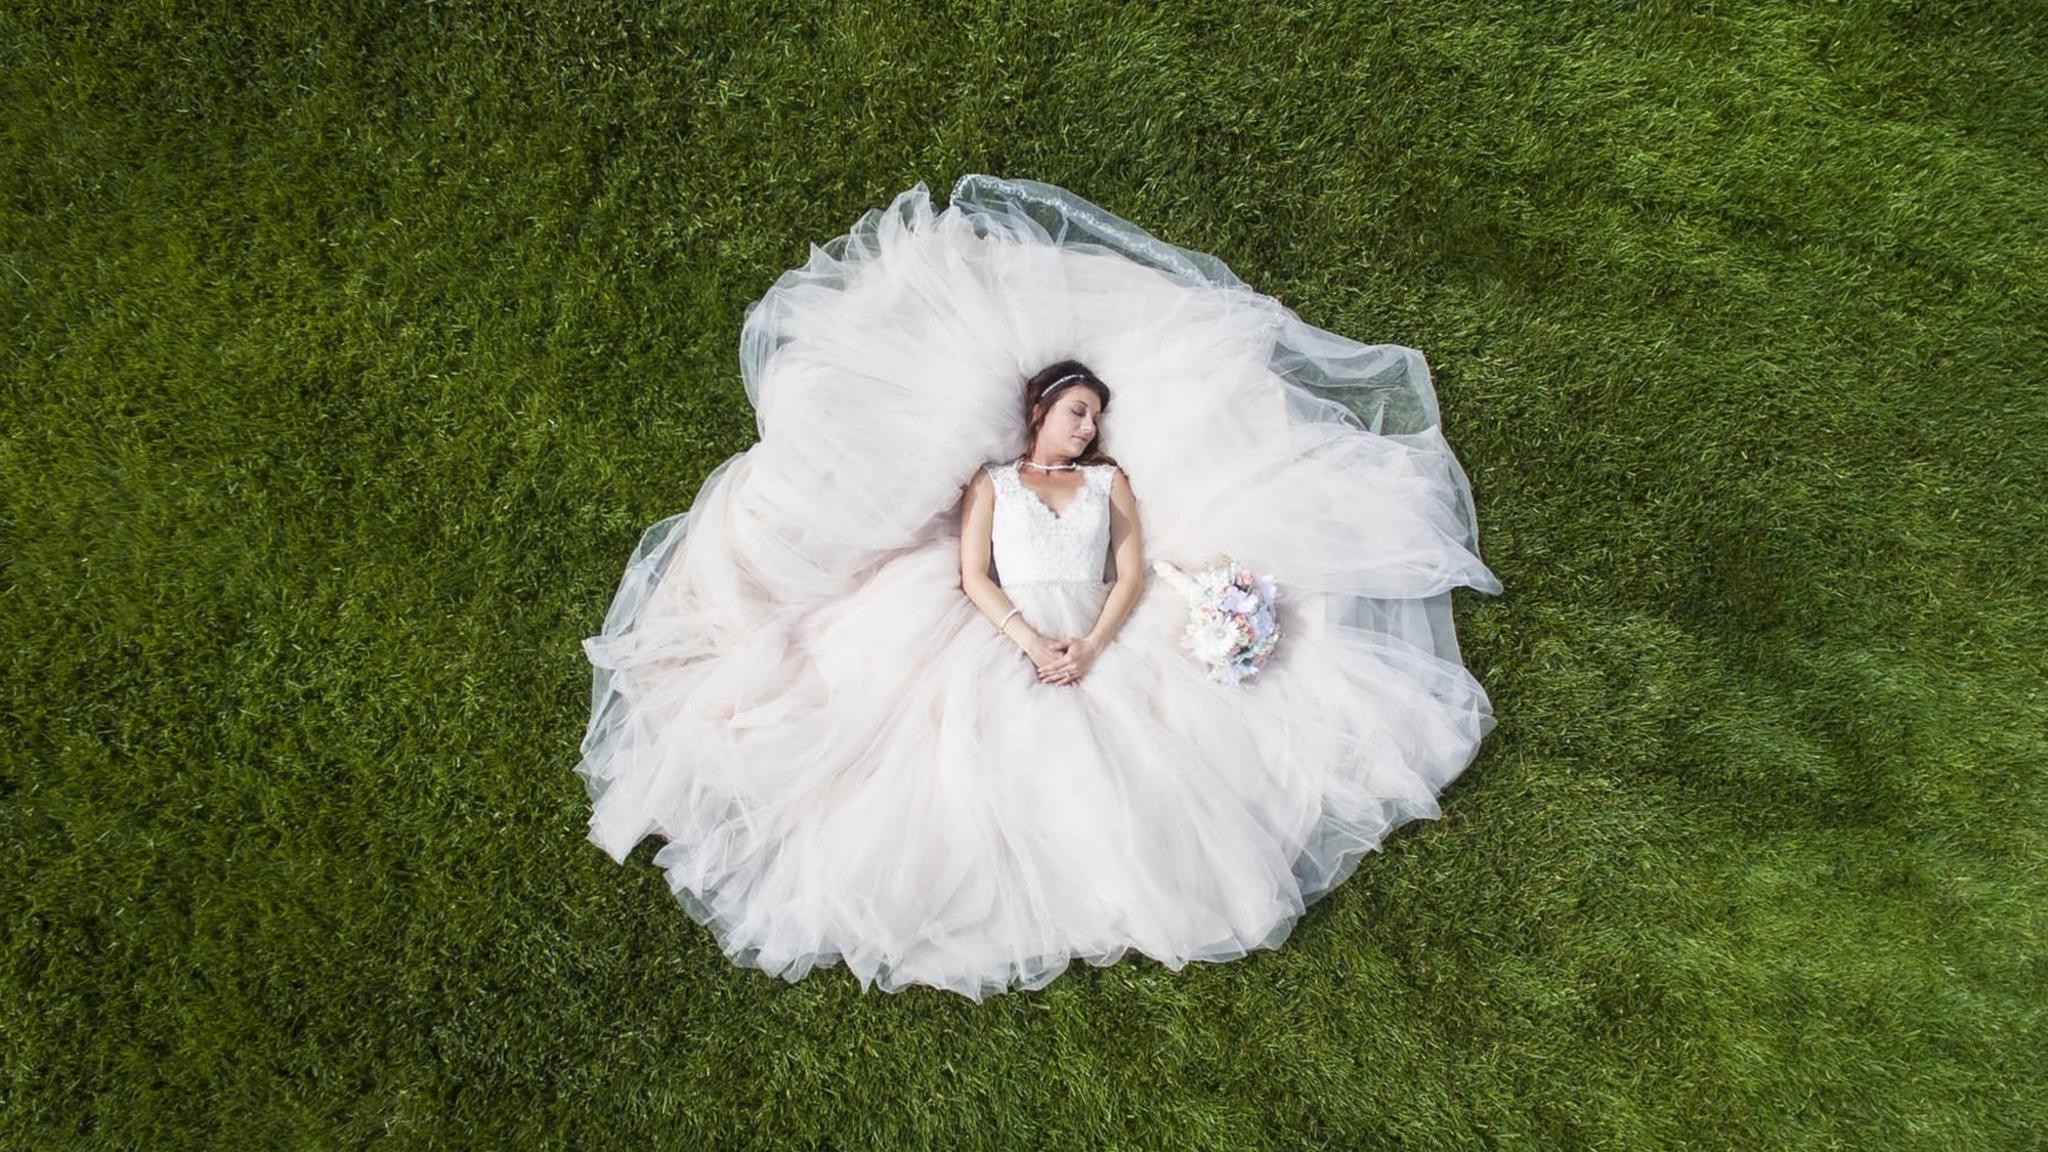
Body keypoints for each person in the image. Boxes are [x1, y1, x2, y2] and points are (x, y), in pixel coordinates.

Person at [575, 175, 1504, 1001]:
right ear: (1039, 414)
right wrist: (1027, 640)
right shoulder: (991, 483)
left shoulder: (1110, 484)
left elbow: (1131, 565)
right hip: (1011, 626)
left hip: (1094, 627)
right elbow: (971, 571)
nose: (1086, 426)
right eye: (1074, 411)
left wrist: (1093, 643)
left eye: (1094, 415)